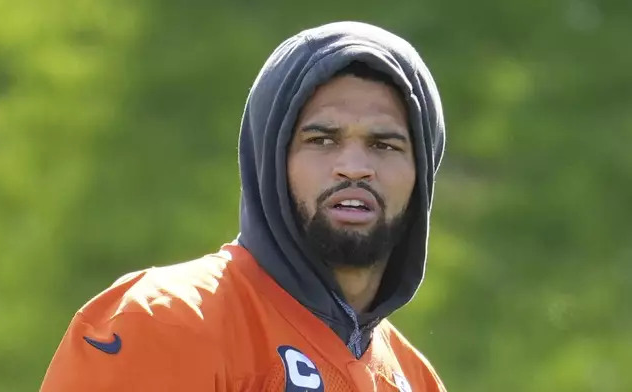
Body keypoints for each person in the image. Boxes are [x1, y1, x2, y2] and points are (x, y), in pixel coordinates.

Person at [40, 20, 447, 392]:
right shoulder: (161, 320)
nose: (355, 168)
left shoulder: (417, 380)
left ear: (422, 173)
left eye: (384, 145)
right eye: (322, 140)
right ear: (271, 160)